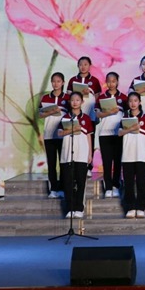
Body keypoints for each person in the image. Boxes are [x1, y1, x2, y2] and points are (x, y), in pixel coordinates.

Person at [58, 91, 93, 219]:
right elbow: (59, 134)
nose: (75, 102)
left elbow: (89, 136)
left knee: (80, 182)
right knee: (68, 183)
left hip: (82, 154)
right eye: (72, 100)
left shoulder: (86, 118)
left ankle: (79, 208)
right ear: (69, 102)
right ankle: (70, 208)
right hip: (67, 154)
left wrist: (90, 154)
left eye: (77, 100)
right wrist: (72, 129)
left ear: (82, 102)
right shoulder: (65, 118)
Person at [119, 92, 145, 219]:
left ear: (139, 102)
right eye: (130, 101)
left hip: (141, 154)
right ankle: (130, 207)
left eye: (135, 101)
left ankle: (141, 207)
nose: (133, 103)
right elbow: (119, 133)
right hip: (128, 155)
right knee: (128, 183)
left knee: (141, 182)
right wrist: (132, 128)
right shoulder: (124, 117)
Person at [94, 72, 127, 199]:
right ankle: (108, 187)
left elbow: (128, 115)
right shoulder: (101, 98)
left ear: (117, 82)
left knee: (117, 161)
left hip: (118, 133)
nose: (111, 83)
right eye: (109, 81)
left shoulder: (124, 98)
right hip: (104, 133)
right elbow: (98, 114)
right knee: (107, 161)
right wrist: (110, 112)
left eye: (113, 81)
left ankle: (116, 186)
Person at [38, 72, 68, 199]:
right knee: (51, 164)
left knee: (63, 163)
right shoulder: (45, 98)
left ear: (63, 83)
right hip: (49, 135)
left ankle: (63, 188)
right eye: (54, 81)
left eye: (58, 81)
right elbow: (40, 114)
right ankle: (53, 189)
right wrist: (51, 111)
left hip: (63, 135)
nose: (56, 84)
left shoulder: (67, 98)